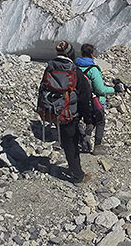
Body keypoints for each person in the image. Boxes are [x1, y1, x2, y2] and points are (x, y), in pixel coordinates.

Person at [41, 40, 93, 183]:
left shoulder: (50, 68)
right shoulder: (74, 72)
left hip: (53, 110)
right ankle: (77, 175)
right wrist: (88, 120)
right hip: (70, 113)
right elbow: (85, 97)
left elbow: (43, 89)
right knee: (72, 143)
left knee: (66, 141)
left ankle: (74, 168)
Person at [75, 43, 122, 155]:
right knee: (100, 122)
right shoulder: (93, 70)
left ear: (81, 53)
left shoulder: (76, 67)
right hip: (94, 101)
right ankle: (97, 146)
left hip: (80, 101)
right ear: (92, 54)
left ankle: (85, 139)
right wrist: (114, 89)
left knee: (88, 120)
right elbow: (100, 89)